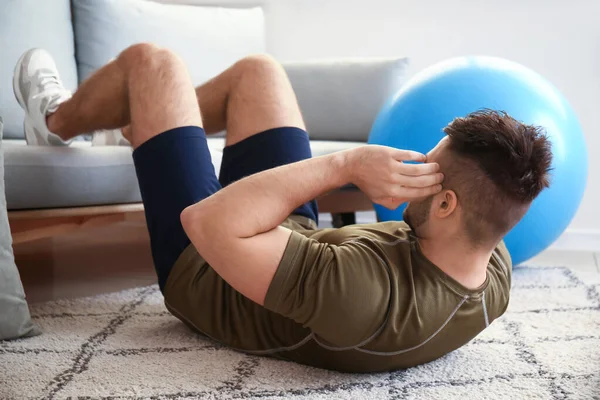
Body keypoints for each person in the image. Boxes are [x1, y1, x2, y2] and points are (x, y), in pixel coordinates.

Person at [13, 45, 552, 373]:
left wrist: (346, 165)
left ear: (447, 203)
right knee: (259, 72)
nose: (416, 163)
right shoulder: (492, 268)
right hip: (284, 240)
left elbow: (202, 223)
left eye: (427, 166)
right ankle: (138, 120)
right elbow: (502, 185)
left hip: (207, 261)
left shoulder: (363, 292)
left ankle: (54, 119)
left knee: (154, 63)